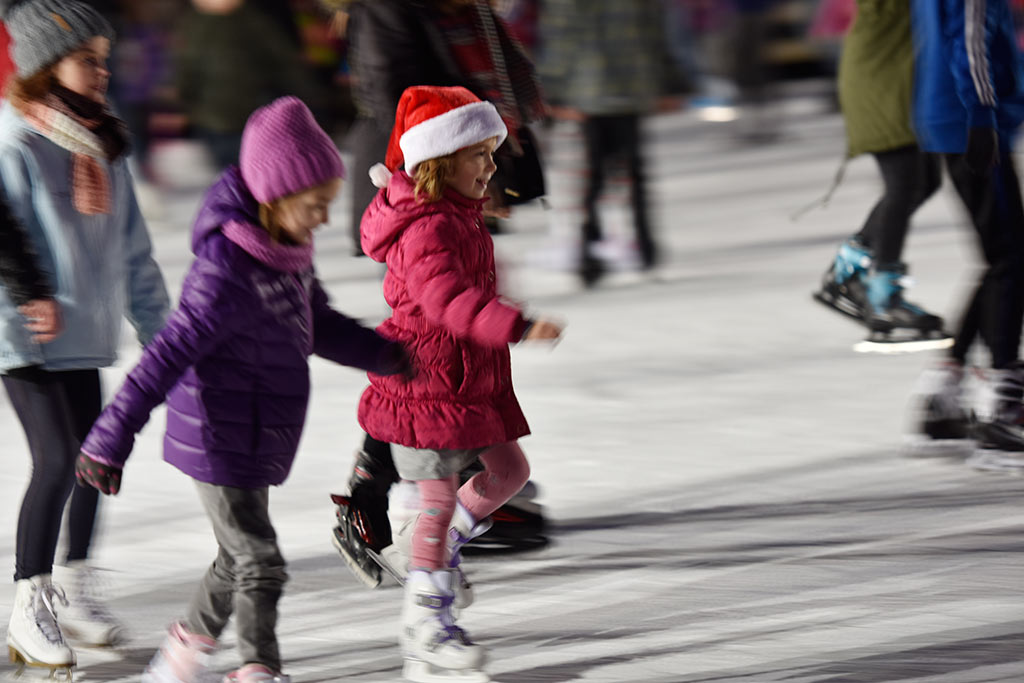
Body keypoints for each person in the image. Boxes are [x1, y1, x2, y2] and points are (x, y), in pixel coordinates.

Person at [74, 96, 409, 683]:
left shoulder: (288, 254)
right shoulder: (225, 270)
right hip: (217, 435)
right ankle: (258, 669)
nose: (323, 221)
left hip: (256, 431)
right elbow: (164, 357)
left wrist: (389, 357)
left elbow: (318, 324)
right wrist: (109, 437)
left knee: (236, 556)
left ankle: (177, 661)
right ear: (275, 196)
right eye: (314, 206)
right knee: (260, 560)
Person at [356, 85, 562, 683]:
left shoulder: (456, 216)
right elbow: (447, 301)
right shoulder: (426, 228)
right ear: (440, 162)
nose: (493, 166)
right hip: (426, 383)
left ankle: (435, 553)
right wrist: (514, 324)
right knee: (439, 504)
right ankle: (425, 629)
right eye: (481, 154)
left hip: (468, 380)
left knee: (509, 474)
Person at [0, 0, 171, 675]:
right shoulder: (16, 143)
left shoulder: (108, 150)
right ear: (46, 65)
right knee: (57, 454)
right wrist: (27, 309)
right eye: (86, 59)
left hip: (86, 335)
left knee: (96, 457)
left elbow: (135, 255)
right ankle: (27, 597)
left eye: (105, 59)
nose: (102, 71)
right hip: (24, 334)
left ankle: (74, 582)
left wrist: (163, 336)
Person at [904, 0, 1024, 471]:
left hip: (948, 112)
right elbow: (968, 37)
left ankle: (943, 396)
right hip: (969, 118)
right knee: (1010, 257)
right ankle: (1000, 408)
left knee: (1002, 255)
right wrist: (981, 114)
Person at [812, 0, 947, 348]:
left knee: (925, 182)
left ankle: (848, 271)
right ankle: (884, 300)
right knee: (905, 186)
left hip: (894, 82)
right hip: (880, 85)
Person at [539, 0, 687, 286]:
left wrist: (553, 91)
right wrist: (671, 81)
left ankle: (590, 252)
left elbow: (561, 40)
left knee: (594, 176)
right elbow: (656, 34)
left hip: (590, 90)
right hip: (632, 87)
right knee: (635, 173)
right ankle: (645, 248)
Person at [174, 0, 320, 170]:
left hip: (234, 115)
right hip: (230, 116)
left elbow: (188, 67)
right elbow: (285, 62)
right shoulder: (248, 20)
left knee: (236, 174)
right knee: (244, 172)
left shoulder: (203, 23)